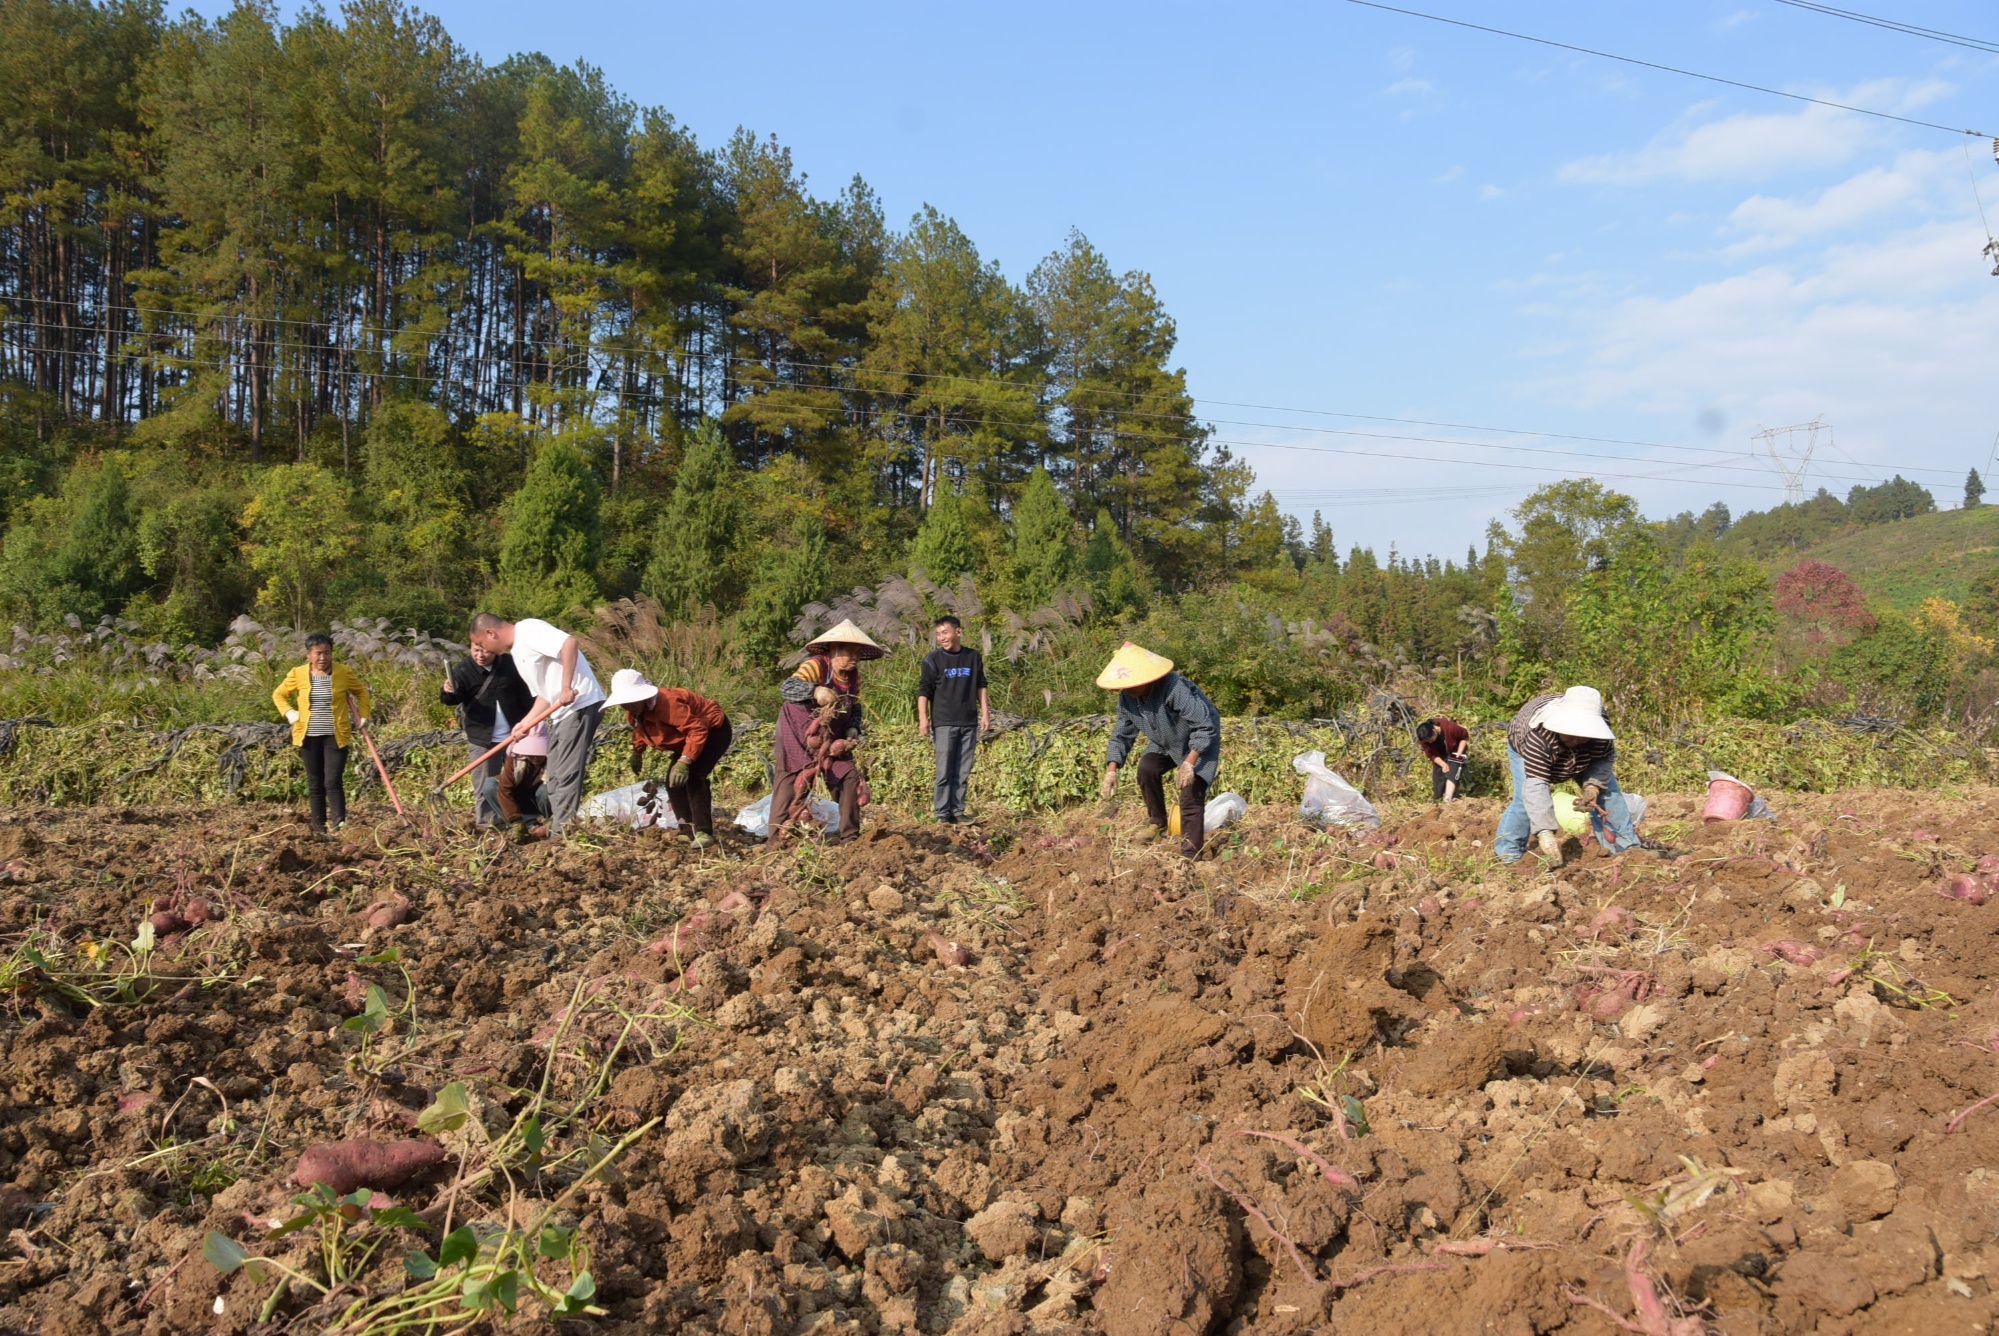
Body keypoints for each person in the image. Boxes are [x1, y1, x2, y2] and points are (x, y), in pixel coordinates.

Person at [466, 613, 606, 838]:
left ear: (491, 633)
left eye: (482, 644)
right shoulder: (518, 652)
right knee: (556, 775)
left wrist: (566, 685)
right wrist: (526, 722)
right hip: (561, 712)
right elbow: (544, 696)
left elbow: (569, 643)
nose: (484, 650)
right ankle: (558, 828)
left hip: (580, 704)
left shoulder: (528, 630)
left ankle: (562, 834)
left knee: (567, 773)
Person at [1096, 642, 1221, 859]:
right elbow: (1122, 733)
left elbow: (1204, 725)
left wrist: (1189, 763)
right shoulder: (1128, 697)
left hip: (1199, 740)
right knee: (1147, 768)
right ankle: (1157, 822)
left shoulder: (1173, 688)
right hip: (1166, 739)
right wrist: (1111, 770)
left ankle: (1191, 855)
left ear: (1147, 679)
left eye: (1132, 684)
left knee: (1190, 795)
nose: (1126, 689)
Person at [768, 619, 883, 846]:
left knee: (849, 777)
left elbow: (855, 706)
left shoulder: (854, 677)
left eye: (858, 653)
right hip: (798, 733)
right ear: (833, 649)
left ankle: (850, 839)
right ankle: (777, 842)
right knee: (792, 781)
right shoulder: (816, 666)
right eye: (849, 652)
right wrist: (815, 690)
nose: (854, 658)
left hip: (832, 737)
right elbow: (787, 688)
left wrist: (853, 727)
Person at [1495, 685, 1639, 865]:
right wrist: (1545, 833)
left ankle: (1626, 850)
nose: (1575, 741)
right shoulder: (1538, 735)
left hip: (1585, 758)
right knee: (1525, 801)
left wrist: (1593, 786)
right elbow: (1536, 787)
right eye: (1570, 735)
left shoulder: (1601, 735)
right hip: (1525, 747)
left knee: (1609, 794)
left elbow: (1604, 759)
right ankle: (1508, 855)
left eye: (1582, 736)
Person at [605, 669, 734, 848]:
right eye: (623, 702)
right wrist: (637, 752)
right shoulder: (633, 714)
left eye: (630, 701)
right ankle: (686, 829)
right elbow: (640, 732)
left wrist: (684, 761)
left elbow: (697, 729)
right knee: (673, 782)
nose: (627, 706)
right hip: (688, 738)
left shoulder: (668, 703)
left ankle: (704, 832)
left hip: (712, 731)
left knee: (695, 776)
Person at [272, 632, 373, 837]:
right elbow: (279, 694)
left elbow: (361, 692)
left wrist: (363, 715)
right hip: (308, 736)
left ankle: (339, 826)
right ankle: (318, 828)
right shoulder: (298, 673)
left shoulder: (343, 672)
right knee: (315, 782)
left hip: (336, 735)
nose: (323, 658)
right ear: (308, 655)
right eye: (318, 653)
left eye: (327, 653)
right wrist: (289, 712)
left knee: (333, 781)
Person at [441, 640, 534, 827]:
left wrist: (530, 725)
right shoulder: (464, 669)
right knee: (484, 784)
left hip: (515, 736)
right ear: (470, 648)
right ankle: (487, 824)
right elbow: (451, 699)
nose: (481, 655)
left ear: (496, 650)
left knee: (519, 780)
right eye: (476, 651)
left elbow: (526, 696)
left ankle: (522, 820)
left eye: (486, 651)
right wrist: (448, 691)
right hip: (482, 739)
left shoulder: (510, 664)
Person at [916, 614, 989, 825]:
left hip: (968, 722)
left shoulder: (973, 657)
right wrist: (923, 719)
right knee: (944, 770)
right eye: (938, 634)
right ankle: (941, 814)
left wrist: (985, 713)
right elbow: (924, 692)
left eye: (945, 632)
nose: (941, 637)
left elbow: (981, 685)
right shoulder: (932, 660)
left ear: (958, 632)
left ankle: (958, 811)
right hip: (943, 722)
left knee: (962, 770)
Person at [487, 720, 551, 833]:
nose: (536, 758)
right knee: (490, 785)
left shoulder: (553, 759)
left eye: (539, 755)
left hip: (540, 799)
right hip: (520, 798)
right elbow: (505, 788)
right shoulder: (515, 759)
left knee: (545, 791)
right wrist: (515, 820)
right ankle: (525, 825)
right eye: (532, 755)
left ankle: (550, 822)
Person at [1416, 716, 1471, 802]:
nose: (1430, 742)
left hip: (1455, 749)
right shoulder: (1423, 738)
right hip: (1439, 753)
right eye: (1428, 742)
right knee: (1438, 774)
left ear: (1434, 730)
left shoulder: (1450, 728)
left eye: (1431, 740)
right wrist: (1443, 764)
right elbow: (1431, 754)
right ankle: (1438, 799)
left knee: (1454, 769)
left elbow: (1464, 737)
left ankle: (1449, 797)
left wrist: (1459, 753)